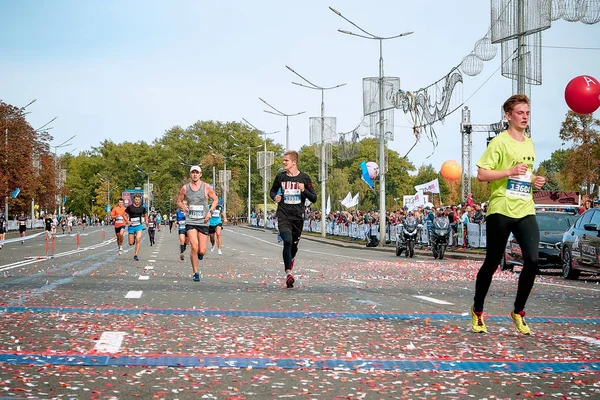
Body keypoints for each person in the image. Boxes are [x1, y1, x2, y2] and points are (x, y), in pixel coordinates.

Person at [471, 94, 545, 335]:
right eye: (520, 113)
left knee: (533, 261)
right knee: (492, 263)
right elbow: (482, 175)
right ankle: (478, 310)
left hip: (525, 207)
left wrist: (536, 180)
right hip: (501, 208)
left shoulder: (530, 143)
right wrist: (509, 170)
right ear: (508, 116)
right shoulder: (499, 142)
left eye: (527, 113)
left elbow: (525, 175)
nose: (524, 117)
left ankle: (518, 311)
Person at [269, 150, 317, 288]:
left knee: (294, 245)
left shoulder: (304, 178)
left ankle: (291, 259)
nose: (284, 163)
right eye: (283, 160)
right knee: (287, 241)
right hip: (283, 214)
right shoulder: (280, 177)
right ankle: (288, 273)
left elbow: (313, 198)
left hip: (297, 216)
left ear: (294, 162)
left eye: (286, 161)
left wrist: (304, 190)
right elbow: (272, 190)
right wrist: (274, 197)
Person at [177, 165, 219, 282]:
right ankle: (195, 272)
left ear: (200, 174)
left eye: (197, 173)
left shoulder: (206, 187)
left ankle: (200, 254)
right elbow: (179, 201)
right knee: (194, 247)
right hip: (191, 221)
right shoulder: (185, 188)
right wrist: (184, 207)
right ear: (190, 174)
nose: (195, 175)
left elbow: (215, 200)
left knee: (202, 250)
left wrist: (210, 211)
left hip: (203, 221)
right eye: (193, 173)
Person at [124, 193, 148, 261]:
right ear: (134, 200)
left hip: (139, 226)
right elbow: (124, 215)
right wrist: (127, 221)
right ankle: (133, 237)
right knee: (131, 243)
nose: (137, 201)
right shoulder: (130, 207)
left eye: (138, 200)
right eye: (136, 199)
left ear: (140, 200)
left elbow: (145, 215)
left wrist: (146, 221)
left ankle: (136, 255)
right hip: (131, 226)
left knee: (138, 239)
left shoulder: (142, 208)